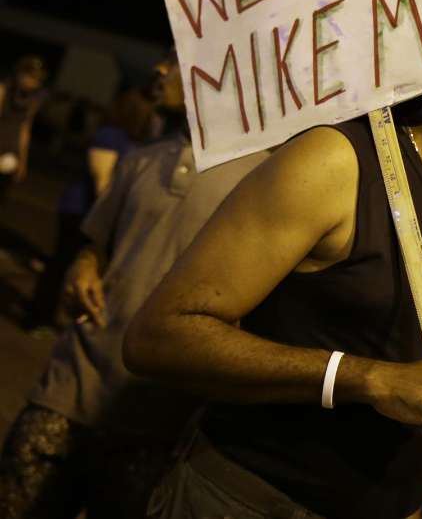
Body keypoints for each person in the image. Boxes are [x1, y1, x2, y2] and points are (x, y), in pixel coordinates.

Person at [124, 0, 422, 519]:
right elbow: (160, 336)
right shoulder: (337, 164)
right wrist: (365, 377)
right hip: (246, 501)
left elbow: (417, 395)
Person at [0, 62, 269, 519]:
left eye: (176, 56)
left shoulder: (264, 180)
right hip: (69, 389)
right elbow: (97, 245)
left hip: (156, 419)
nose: (161, 68)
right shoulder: (143, 156)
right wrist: (85, 266)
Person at [23, 60, 172, 331]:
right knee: (60, 266)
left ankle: (51, 316)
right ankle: (36, 316)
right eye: (149, 115)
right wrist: (118, 217)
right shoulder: (110, 136)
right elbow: (101, 181)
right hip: (80, 211)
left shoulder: (138, 143)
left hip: (94, 213)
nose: (153, 121)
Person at [0, 56, 49, 202]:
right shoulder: (4, 89)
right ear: (19, 73)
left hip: (10, 151)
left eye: (37, 80)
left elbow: (25, 129)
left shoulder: (35, 98)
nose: (32, 82)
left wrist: (23, 161)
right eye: (30, 77)